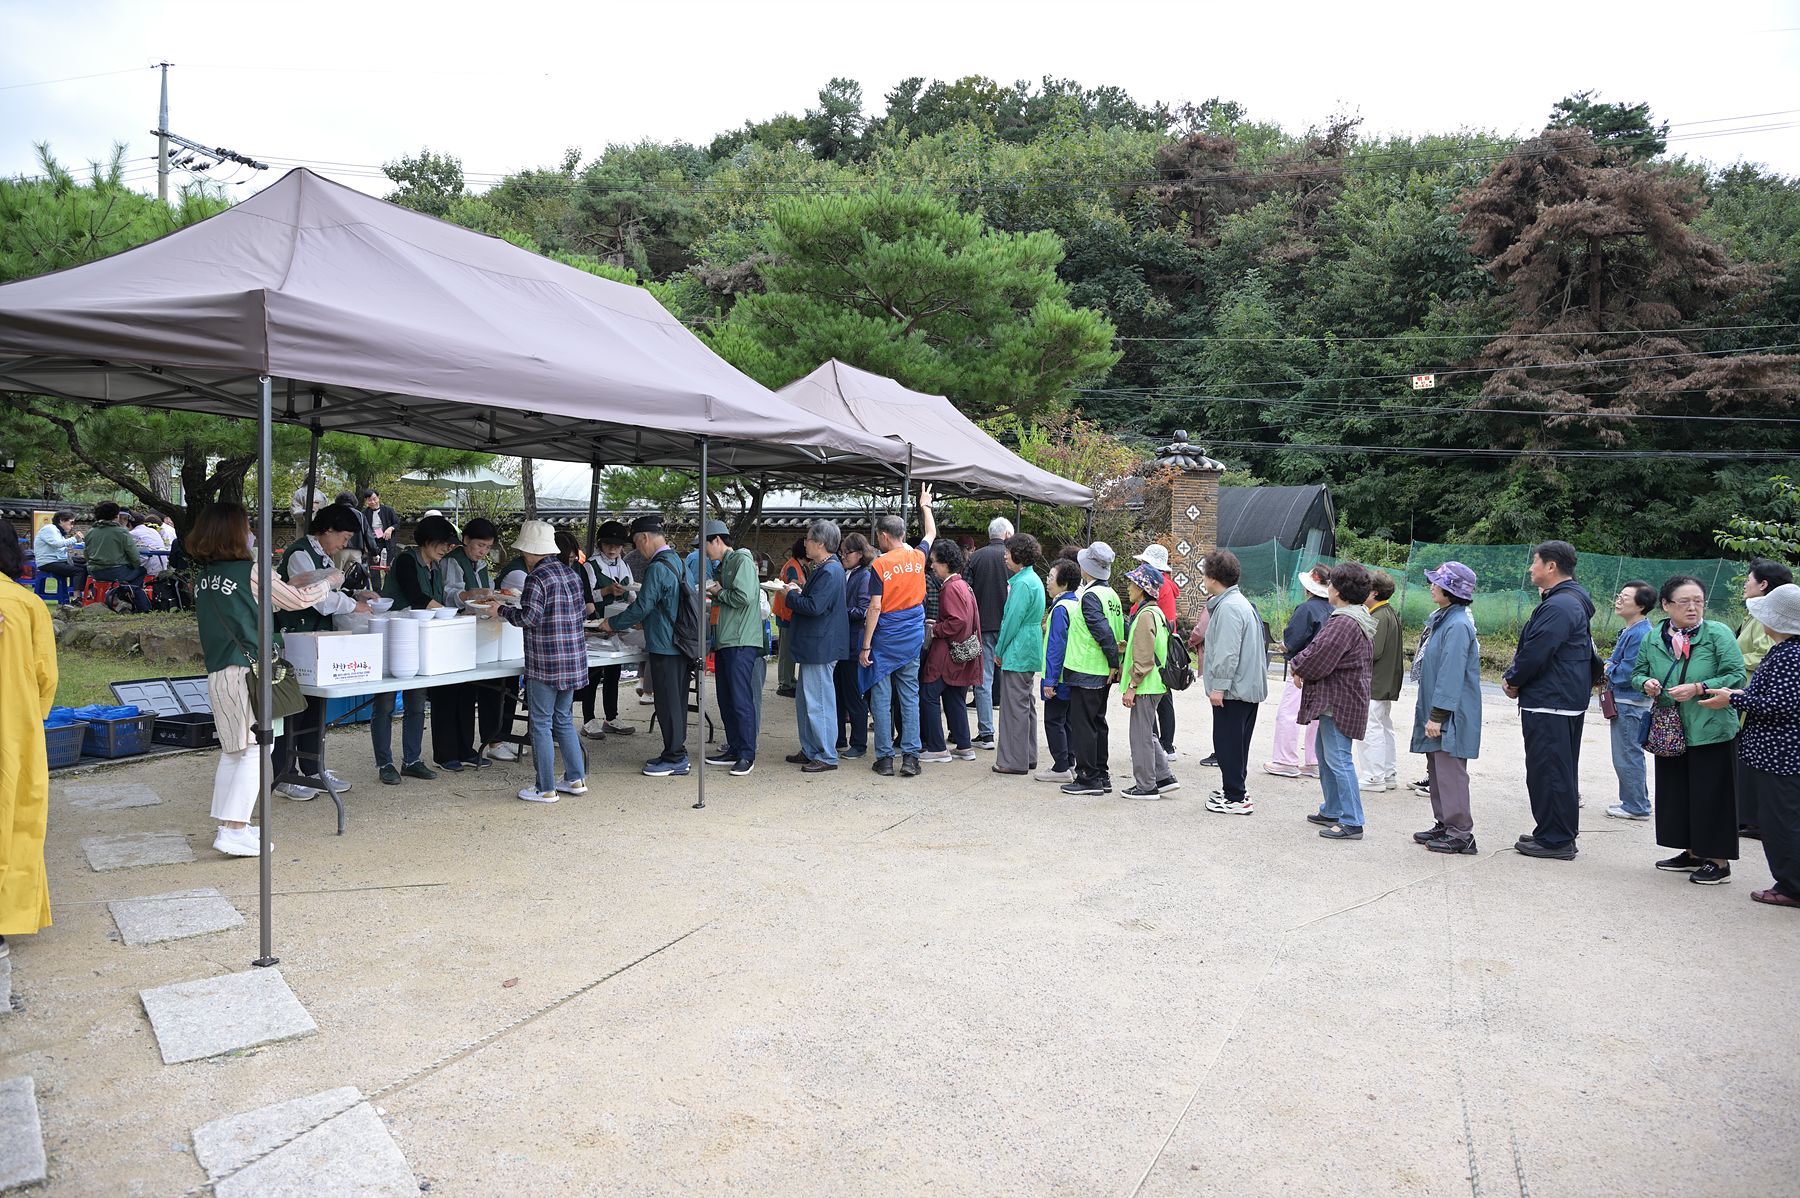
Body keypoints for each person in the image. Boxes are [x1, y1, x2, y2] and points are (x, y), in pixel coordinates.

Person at [188, 503, 335, 857]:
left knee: (234, 751)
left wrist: (284, 586)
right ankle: (234, 830)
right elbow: (298, 601)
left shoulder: (204, 577)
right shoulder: (250, 570)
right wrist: (330, 581)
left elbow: (252, 605)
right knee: (257, 749)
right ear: (234, 533)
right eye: (247, 527)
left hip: (221, 672)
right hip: (248, 672)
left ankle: (229, 824)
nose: (251, 533)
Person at [1631, 575, 1746, 885]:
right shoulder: (1653, 637)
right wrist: (1646, 683)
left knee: (1712, 794)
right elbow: (1637, 672)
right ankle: (1692, 851)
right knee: (1677, 793)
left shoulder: (1717, 633)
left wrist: (1699, 687)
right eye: (1684, 602)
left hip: (1711, 727)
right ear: (1666, 605)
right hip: (1670, 728)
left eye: (1698, 601)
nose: (1693, 607)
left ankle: (1718, 861)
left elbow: (1736, 674)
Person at [1701, 582, 1800, 907]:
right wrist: (1740, 695)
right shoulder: (1785, 650)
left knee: (1781, 821)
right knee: (1781, 818)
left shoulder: (1790, 655)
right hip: (1778, 753)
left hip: (1780, 755)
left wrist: (1734, 698)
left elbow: (1781, 704)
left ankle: (1792, 886)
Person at [476, 520, 588, 802]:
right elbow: (581, 614)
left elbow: (529, 617)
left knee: (540, 724)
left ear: (529, 550)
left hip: (545, 661)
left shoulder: (536, 577)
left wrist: (500, 610)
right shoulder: (571, 574)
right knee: (563, 720)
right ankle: (575, 778)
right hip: (573, 658)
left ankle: (545, 787)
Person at [1505, 541, 1599, 861]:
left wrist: (1514, 679)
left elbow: (1537, 650)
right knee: (1558, 768)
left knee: (1549, 770)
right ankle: (1555, 831)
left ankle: (1556, 839)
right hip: (1561, 698)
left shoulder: (1560, 605)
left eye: (1535, 562)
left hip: (1551, 699)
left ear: (1551, 566)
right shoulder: (1570, 600)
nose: (1531, 568)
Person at [272, 504, 370, 800]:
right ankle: (284, 775)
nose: (344, 544)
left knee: (316, 708)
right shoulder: (300, 554)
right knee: (292, 709)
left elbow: (330, 592)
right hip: (294, 640)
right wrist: (353, 605)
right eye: (343, 537)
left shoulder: (323, 556)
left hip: (317, 642)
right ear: (327, 530)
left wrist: (354, 594)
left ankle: (313, 769)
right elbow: (317, 600)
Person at [596, 514, 692, 777]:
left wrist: (611, 623)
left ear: (645, 538)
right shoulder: (678, 561)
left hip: (665, 644)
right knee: (677, 701)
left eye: (637, 544)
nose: (638, 550)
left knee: (668, 703)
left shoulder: (658, 567)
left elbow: (642, 606)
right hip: (681, 642)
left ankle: (675, 757)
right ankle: (675, 751)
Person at [1290, 562, 1377, 840]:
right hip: (1342, 698)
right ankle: (1333, 809)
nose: (1328, 588)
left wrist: (1297, 665)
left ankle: (1352, 820)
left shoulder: (1344, 622)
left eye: (1330, 584)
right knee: (1326, 755)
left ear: (1338, 590)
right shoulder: (1352, 616)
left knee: (1338, 759)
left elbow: (1319, 656)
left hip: (1339, 701)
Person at [0, 521, 55, 952]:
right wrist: (31, 718)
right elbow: (44, 677)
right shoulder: (24, 604)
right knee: (13, 819)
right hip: (13, 729)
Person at [371, 514, 459, 785]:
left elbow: (435, 599)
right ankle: (384, 763)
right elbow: (416, 597)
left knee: (417, 702)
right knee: (385, 703)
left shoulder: (435, 567)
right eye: (442, 543)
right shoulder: (407, 560)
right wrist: (450, 614)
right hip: (393, 637)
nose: (446, 548)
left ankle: (412, 760)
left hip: (421, 640)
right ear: (428, 540)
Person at [1409, 562, 1483, 854]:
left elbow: (1451, 673)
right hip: (1439, 709)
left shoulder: (1458, 625)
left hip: (1450, 713)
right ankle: (1444, 823)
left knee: (1450, 770)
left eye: (1437, 583)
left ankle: (1461, 833)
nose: (1432, 587)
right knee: (1437, 768)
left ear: (1450, 590)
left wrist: (1438, 715)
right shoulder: (1444, 619)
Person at [426, 517, 504, 771]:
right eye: (479, 545)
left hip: (472, 631)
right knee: (447, 693)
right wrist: (469, 595)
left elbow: (487, 591)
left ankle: (466, 749)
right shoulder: (452, 561)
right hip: (450, 630)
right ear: (466, 540)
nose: (483, 551)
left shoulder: (481, 565)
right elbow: (449, 594)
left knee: (468, 693)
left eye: (487, 547)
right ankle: (445, 754)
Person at [860, 506, 929, 778]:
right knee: (909, 696)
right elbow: (931, 533)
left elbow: (875, 607)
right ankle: (911, 758)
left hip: (885, 640)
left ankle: (885, 758)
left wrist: (866, 645)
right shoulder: (918, 556)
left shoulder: (880, 564)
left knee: (881, 697)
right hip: (911, 637)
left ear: (885, 536)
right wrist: (925, 506)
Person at [1200, 551, 1269, 816]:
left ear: (1212, 577)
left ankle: (1235, 797)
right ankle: (1235, 789)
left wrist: (1219, 686)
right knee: (1238, 743)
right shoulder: (1240, 602)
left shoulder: (1228, 607)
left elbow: (1227, 652)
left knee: (1227, 744)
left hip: (1233, 690)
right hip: (1246, 687)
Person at [1060, 542, 1124, 797]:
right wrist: (1114, 663)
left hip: (1086, 669)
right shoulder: (1112, 595)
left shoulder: (1090, 596)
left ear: (1086, 568)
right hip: (1102, 671)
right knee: (1097, 722)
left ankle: (1087, 777)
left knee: (1083, 725)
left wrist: (1113, 662)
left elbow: (1103, 633)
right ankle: (1101, 774)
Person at [783, 519, 847, 772]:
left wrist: (791, 595)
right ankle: (811, 748)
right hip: (817, 644)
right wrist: (798, 592)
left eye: (808, 539)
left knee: (819, 702)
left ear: (820, 543)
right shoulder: (827, 568)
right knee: (807, 701)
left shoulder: (830, 570)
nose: (805, 544)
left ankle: (826, 754)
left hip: (821, 645)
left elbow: (814, 606)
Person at [702, 520, 762, 776]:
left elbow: (744, 596)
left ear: (717, 540)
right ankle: (734, 748)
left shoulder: (741, 560)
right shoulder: (725, 564)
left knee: (740, 699)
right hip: (726, 639)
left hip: (741, 640)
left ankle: (747, 754)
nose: (704, 551)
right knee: (726, 699)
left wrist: (718, 592)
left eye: (705, 545)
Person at [919, 538, 981, 764]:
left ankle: (937, 748)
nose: (932, 566)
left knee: (928, 695)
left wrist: (935, 629)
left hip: (946, 653)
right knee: (954, 697)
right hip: (961, 651)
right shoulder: (962, 584)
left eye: (934, 561)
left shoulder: (950, 587)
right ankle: (964, 746)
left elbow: (957, 621)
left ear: (945, 564)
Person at [1266, 566, 1331, 778]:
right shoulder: (1334, 608)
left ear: (1308, 588)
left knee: (1289, 713)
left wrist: (1286, 646)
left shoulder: (1306, 609)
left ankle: (1285, 760)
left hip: (1302, 669)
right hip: (1326, 671)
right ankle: (1314, 761)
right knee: (1318, 718)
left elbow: (1292, 640)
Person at [1120, 562, 1178, 799]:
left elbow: (1144, 657)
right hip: (1155, 683)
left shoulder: (1145, 615)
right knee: (1148, 733)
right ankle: (1163, 777)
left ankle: (1145, 785)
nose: (1129, 587)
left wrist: (1132, 686)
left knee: (1140, 736)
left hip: (1144, 684)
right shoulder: (1156, 612)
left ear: (1143, 589)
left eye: (1133, 583)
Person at [1603, 580, 1657, 822]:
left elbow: (1627, 673)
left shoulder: (1640, 633)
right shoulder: (1633, 629)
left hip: (1630, 702)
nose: (1618, 600)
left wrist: (1608, 669)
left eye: (1625, 598)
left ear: (1641, 606)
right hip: (1626, 701)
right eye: (1619, 596)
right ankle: (1634, 801)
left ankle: (1636, 805)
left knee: (1627, 754)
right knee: (1627, 753)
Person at [994, 533, 1046, 776]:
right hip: (1030, 645)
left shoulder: (1022, 584)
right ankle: (1028, 755)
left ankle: (1013, 760)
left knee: (1013, 707)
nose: (1005, 556)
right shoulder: (1032, 579)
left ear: (1018, 555)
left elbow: (1011, 621)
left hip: (1018, 648)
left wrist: (999, 649)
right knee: (1026, 704)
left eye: (1008, 552)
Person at [965, 516, 1015, 750]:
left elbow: (966, 592)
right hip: (1009, 627)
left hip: (982, 626)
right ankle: (1011, 734)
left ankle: (986, 733)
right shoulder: (1014, 558)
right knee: (1011, 679)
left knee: (983, 680)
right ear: (1007, 535)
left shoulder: (976, 557)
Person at [1356, 571, 1403, 792]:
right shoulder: (1387, 612)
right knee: (1383, 727)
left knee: (1370, 728)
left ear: (1374, 592)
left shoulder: (1379, 616)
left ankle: (1374, 776)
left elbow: (1373, 651)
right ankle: (1387, 773)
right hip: (1383, 683)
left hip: (1374, 683)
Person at [1038, 559, 1083, 783]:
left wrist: (1050, 680)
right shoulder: (1076, 604)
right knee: (1068, 721)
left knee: (1054, 721)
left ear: (1063, 583)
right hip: (1073, 673)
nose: (1047, 582)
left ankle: (1060, 766)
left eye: (1051, 577)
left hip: (1059, 676)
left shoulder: (1060, 609)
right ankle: (1070, 763)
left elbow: (1056, 646)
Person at [1134, 543, 1181, 757]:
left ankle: (1163, 745)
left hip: (1156, 649)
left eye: (1144, 563)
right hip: (1161, 647)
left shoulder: (1159, 586)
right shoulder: (1165, 584)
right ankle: (1164, 744)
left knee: (1156, 697)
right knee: (1162, 697)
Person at [835, 533, 874, 761]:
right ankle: (839, 737)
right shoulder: (847, 573)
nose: (843, 556)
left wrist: (836, 610)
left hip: (854, 643)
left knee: (853, 696)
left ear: (859, 553)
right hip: (842, 643)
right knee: (838, 694)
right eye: (841, 553)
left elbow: (863, 611)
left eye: (847, 553)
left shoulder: (864, 576)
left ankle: (859, 743)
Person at [83, 501, 148, 611]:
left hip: (94, 572)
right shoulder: (121, 532)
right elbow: (134, 556)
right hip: (116, 572)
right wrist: (134, 565)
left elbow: (86, 554)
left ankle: (117, 596)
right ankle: (125, 596)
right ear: (116, 516)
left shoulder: (91, 532)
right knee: (141, 571)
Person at [1738, 559, 1793, 676]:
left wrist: (1729, 660)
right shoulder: (1756, 615)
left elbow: (1765, 654)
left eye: (1748, 580)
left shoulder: (1764, 618)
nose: (1745, 585)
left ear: (1763, 584)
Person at [773, 538, 808, 698]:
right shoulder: (793, 567)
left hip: (787, 613)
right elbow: (794, 587)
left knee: (788, 650)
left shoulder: (797, 565)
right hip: (786, 613)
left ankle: (789, 680)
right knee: (786, 652)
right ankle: (785, 683)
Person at [31, 511, 85, 596]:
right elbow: (57, 544)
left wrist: (83, 543)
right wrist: (74, 538)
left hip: (58, 560)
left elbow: (63, 544)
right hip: (48, 562)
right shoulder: (49, 529)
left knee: (85, 565)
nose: (72, 526)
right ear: (61, 521)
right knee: (79, 571)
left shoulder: (58, 531)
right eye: (71, 523)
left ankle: (86, 594)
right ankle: (77, 597)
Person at [359, 489, 398, 566]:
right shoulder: (364, 513)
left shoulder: (388, 510)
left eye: (374, 499)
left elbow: (397, 523)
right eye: (369, 500)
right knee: (373, 567)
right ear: (366, 501)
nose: (373, 502)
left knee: (389, 567)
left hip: (387, 542)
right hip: (373, 543)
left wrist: (390, 528)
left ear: (378, 497)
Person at [126, 512, 170, 577]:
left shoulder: (133, 534)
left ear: (129, 524)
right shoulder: (153, 530)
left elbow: (142, 558)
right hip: (162, 565)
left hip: (149, 569)